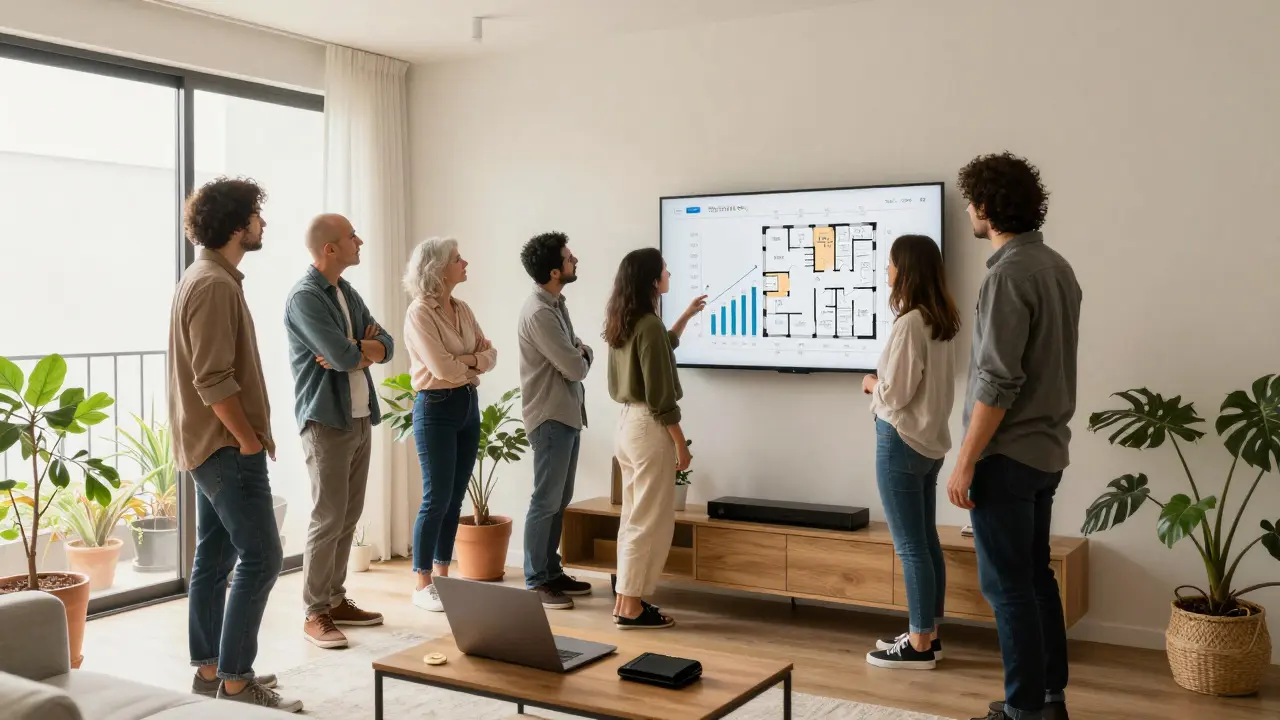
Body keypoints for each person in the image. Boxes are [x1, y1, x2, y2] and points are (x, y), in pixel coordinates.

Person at [947, 153, 1081, 720]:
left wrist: (965, 461)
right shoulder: (1056, 266)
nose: (969, 213)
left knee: (1007, 590)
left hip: (1005, 456)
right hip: (1047, 453)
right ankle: (1050, 700)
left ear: (986, 207)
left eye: (971, 203)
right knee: (1034, 577)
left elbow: (998, 382)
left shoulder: (1006, 276)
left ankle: (1022, 710)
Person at [168, 177, 301, 712]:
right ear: (236, 224)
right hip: (225, 446)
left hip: (210, 444)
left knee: (215, 556)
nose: (262, 224)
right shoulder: (214, 284)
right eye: (256, 215)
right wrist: (248, 439)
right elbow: (213, 378)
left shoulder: (205, 277)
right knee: (263, 556)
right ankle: (238, 680)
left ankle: (210, 670)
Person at [284, 213, 396, 649]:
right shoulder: (305, 298)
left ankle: (334, 598)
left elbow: (385, 343)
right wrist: (354, 352)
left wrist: (359, 350)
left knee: (348, 517)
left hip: (360, 414)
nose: (360, 240)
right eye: (352, 236)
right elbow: (341, 355)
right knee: (327, 517)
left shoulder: (345, 291)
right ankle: (315, 611)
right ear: (329, 249)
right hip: (326, 420)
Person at [862, 235, 960, 671]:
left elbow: (895, 394)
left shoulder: (909, 324)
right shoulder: (942, 322)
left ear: (906, 270)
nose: (887, 272)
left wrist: (870, 386)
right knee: (925, 540)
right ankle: (928, 632)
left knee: (910, 547)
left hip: (899, 443)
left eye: (891, 264)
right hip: (930, 444)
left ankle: (919, 643)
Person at [603, 248, 705, 629]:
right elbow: (661, 396)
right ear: (652, 280)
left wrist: (686, 317)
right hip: (650, 428)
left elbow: (663, 348)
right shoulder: (647, 325)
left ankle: (625, 602)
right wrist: (680, 442)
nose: (669, 273)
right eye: (664, 269)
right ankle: (630, 605)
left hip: (627, 427)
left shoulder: (627, 322)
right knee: (649, 522)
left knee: (633, 518)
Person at [402, 237, 497, 612]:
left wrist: (472, 361)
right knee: (436, 498)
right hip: (435, 407)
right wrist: (475, 361)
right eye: (458, 259)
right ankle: (422, 580)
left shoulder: (462, 308)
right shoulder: (419, 313)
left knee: (455, 498)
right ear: (438, 269)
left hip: (467, 406)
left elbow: (492, 354)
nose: (465, 263)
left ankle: (442, 577)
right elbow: (441, 368)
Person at [517, 231, 595, 609]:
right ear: (553, 270)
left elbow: (580, 352)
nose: (575, 259)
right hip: (550, 415)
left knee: (559, 498)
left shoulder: (555, 304)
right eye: (568, 257)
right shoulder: (539, 312)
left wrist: (581, 353)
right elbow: (575, 365)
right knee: (546, 499)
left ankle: (551, 571)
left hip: (566, 412)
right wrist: (581, 355)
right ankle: (536, 579)